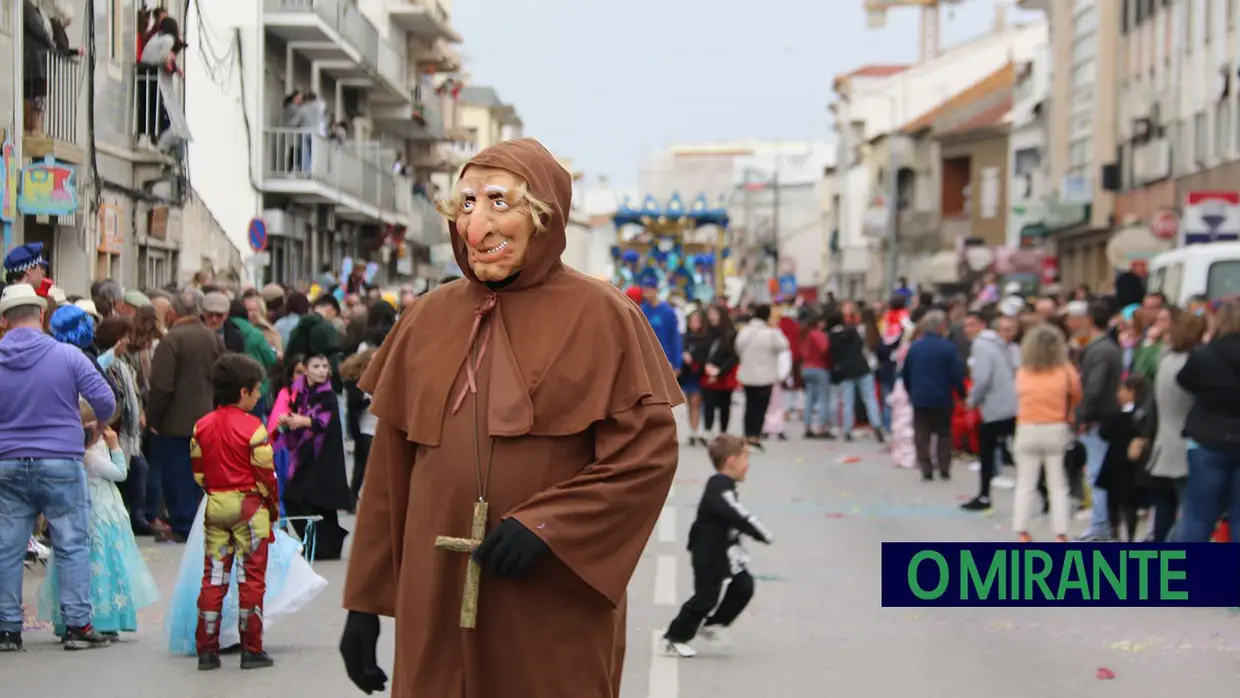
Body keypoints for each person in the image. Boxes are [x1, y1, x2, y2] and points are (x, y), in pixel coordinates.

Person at [337, 138, 681, 697]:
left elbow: (644, 459)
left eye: (499, 202)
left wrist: (549, 526)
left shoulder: (605, 316)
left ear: (544, 215)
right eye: (467, 203)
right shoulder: (426, 317)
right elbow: (388, 475)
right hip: (436, 599)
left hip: (546, 593)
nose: (477, 226)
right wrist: (364, 603)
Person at [37, 402, 159, 637]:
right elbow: (120, 473)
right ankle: (102, 616)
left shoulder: (85, 450)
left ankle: (90, 616)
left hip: (105, 511)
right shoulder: (89, 455)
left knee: (99, 561)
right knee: (101, 562)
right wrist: (115, 448)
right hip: (100, 514)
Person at [189, 354, 279, 671]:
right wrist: (273, 507)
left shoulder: (202, 426)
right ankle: (251, 649)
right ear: (243, 392)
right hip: (250, 508)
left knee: (213, 577)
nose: (258, 397)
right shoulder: (255, 428)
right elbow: (266, 477)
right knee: (251, 578)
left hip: (216, 505)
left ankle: (206, 650)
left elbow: (199, 474)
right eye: (256, 391)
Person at [663, 435, 772, 658]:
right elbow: (737, 514)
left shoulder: (726, 485)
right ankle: (674, 637)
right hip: (708, 552)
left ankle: (714, 624)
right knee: (705, 597)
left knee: (744, 585)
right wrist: (761, 532)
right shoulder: (718, 486)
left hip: (726, 550)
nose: (748, 464)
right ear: (731, 461)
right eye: (745, 458)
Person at [1174, 299, 1240, 542]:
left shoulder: (1204, 356)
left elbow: (1183, 380)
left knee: (1199, 516)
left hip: (1208, 440)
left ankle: (1191, 574)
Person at [277, 353, 351, 559]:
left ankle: (323, 546)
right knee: (302, 498)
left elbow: (323, 421)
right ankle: (320, 544)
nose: (321, 370)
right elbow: (294, 413)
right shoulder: (301, 392)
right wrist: (290, 420)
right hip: (306, 455)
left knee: (318, 501)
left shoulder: (327, 395)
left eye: (325, 366)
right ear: (307, 369)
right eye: (316, 366)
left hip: (323, 457)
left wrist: (303, 421)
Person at [1011, 323, 1080, 543]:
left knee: (1026, 482)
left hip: (1027, 427)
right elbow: (1077, 394)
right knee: (1058, 484)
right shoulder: (1066, 371)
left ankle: (1022, 529)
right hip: (1056, 427)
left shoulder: (1023, 372)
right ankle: (1060, 532)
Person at [1074, 301, 1124, 541]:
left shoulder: (1101, 350)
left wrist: (1083, 415)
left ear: (1090, 320)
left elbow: (1095, 387)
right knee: (1097, 473)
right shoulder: (1107, 348)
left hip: (1099, 420)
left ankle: (1101, 526)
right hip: (1102, 416)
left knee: (1096, 474)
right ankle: (1102, 524)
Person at [961, 311, 1019, 511]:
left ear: (982, 325)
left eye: (972, 325)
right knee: (1016, 451)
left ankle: (984, 495)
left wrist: (972, 400)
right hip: (1011, 404)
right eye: (965, 325)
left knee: (987, 452)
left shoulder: (981, 345)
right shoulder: (1000, 344)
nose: (968, 330)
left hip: (995, 406)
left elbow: (982, 377)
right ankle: (1044, 492)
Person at [901, 310, 966, 481]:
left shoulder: (915, 347)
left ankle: (926, 466)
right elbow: (956, 373)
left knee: (922, 433)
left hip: (920, 396)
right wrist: (961, 393)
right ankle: (944, 466)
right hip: (943, 397)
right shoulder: (948, 347)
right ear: (941, 328)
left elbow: (905, 373)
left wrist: (910, 392)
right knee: (944, 433)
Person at [1096, 375, 1150, 542]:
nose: (1118, 394)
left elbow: (1103, 433)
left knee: (1114, 502)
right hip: (1134, 467)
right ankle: (1130, 536)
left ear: (1131, 392)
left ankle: (1115, 534)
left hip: (1115, 465)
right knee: (1130, 505)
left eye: (1122, 390)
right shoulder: (1145, 414)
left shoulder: (1118, 415)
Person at [735, 304, 789, 449]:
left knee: (749, 406)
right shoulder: (771, 333)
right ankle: (755, 437)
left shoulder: (745, 331)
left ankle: (747, 435)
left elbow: (738, 348)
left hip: (747, 374)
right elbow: (784, 345)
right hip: (766, 376)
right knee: (761, 407)